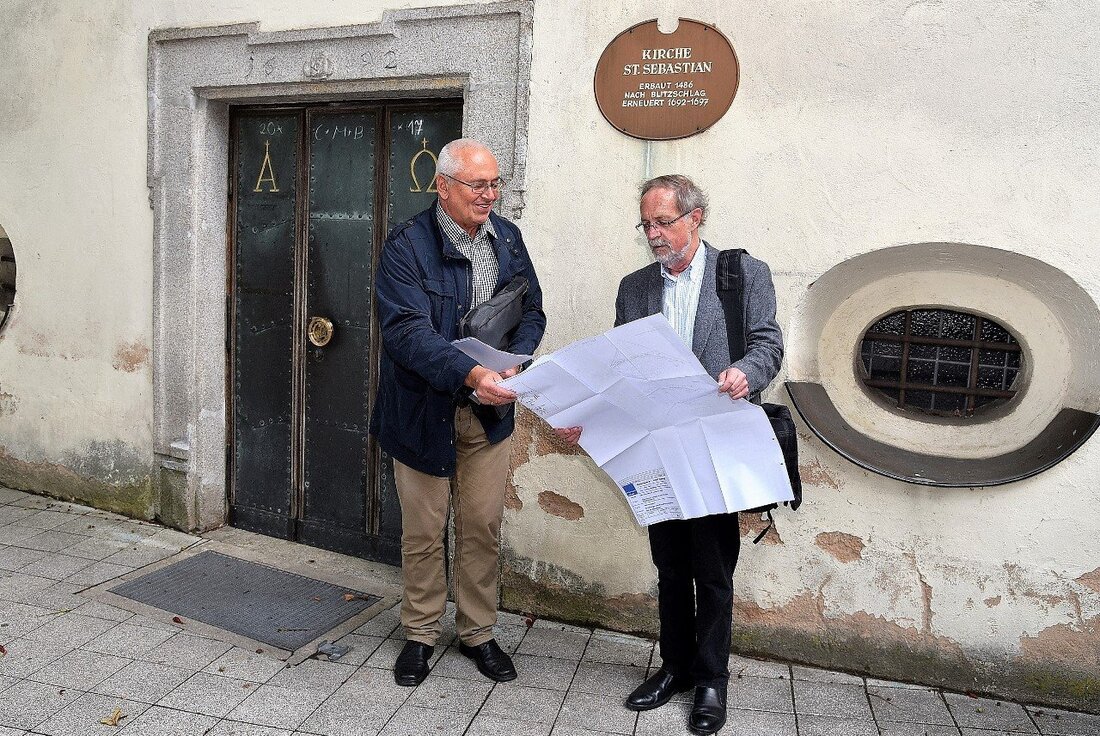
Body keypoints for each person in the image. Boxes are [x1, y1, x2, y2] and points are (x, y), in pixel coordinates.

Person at [555, 174, 782, 734]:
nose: (654, 233)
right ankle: (676, 666)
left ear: (695, 217)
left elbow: (768, 344)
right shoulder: (634, 288)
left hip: (714, 443)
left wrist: (744, 373)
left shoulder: (741, 274)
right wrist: (588, 419)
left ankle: (711, 680)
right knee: (671, 567)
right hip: (656, 448)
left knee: (713, 569)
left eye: (663, 222)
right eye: (646, 224)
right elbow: (619, 370)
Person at [371, 138, 545, 686]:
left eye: (495, 184)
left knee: (482, 526)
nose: (489, 195)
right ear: (443, 186)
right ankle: (421, 633)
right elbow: (407, 332)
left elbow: (532, 310)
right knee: (424, 531)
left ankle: (478, 633)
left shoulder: (507, 238)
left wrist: (514, 364)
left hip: (488, 414)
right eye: (478, 185)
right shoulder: (406, 246)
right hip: (422, 410)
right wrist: (472, 373)